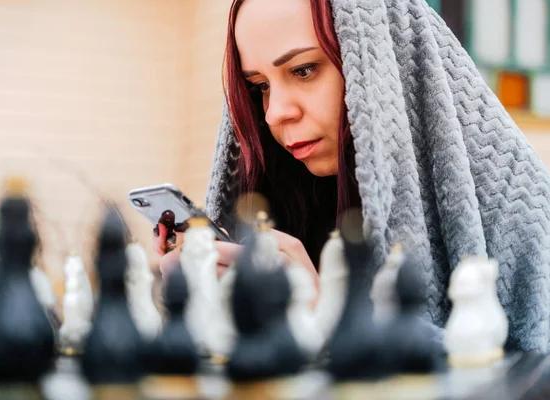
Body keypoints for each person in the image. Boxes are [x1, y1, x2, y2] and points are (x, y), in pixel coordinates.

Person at [154, 0, 550, 353]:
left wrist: (325, 314)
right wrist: (201, 300)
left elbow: (525, 374)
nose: (274, 113)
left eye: (304, 70)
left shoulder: (524, 210)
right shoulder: (288, 188)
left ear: (383, 65)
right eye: (259, 86)